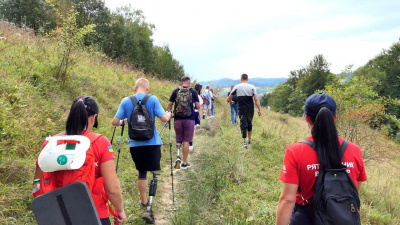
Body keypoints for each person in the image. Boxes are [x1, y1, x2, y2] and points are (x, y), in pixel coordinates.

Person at [276, 93, 367, 225]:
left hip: (306, 218)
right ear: (334, 117)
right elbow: (354, 193)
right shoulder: (354, 150)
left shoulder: (295, 151)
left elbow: (287, 200)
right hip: (342, 217)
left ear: (306, 118)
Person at [33, 96, 126, 225]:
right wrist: (119, 210)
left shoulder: (51, 143)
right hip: (93, 214)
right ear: (94, 117)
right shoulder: (101, 143)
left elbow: (37, 182)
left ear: (71, 114)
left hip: (56, 214)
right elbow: (112, 188)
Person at [111, 78, 172, 223]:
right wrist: (169, 114)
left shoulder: (126, 101)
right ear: (147, 88)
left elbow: (114, 122)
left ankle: (143, 202)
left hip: (135, 144)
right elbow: (164, 119)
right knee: (154, 173)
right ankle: (150, 206)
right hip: (153, 143)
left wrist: (124, 121)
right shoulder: (153, 99)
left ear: (134, 88)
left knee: (142, 173)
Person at [167, 76, 200, 169]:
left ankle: (178, 156)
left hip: (177, 119)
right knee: (186, 140)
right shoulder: (193, 91)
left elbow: (170, 104)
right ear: (189, 83)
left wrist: (169, 112)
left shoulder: (175, 91)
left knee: (178, 138)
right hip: (189, 119)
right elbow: (198, 106)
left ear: (181, 82)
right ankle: (184, 162)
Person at [227, 74, 262, 148]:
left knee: (243, 124)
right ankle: (249, 139)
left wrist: (230, 101)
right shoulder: (252, 87)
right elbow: (256, 100)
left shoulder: (237, 86)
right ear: (247, 79)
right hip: (250, 108)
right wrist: (259, 110)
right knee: (249, 123)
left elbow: (230, 97)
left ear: (241, 79)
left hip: (242, 108)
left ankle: (244, 143)